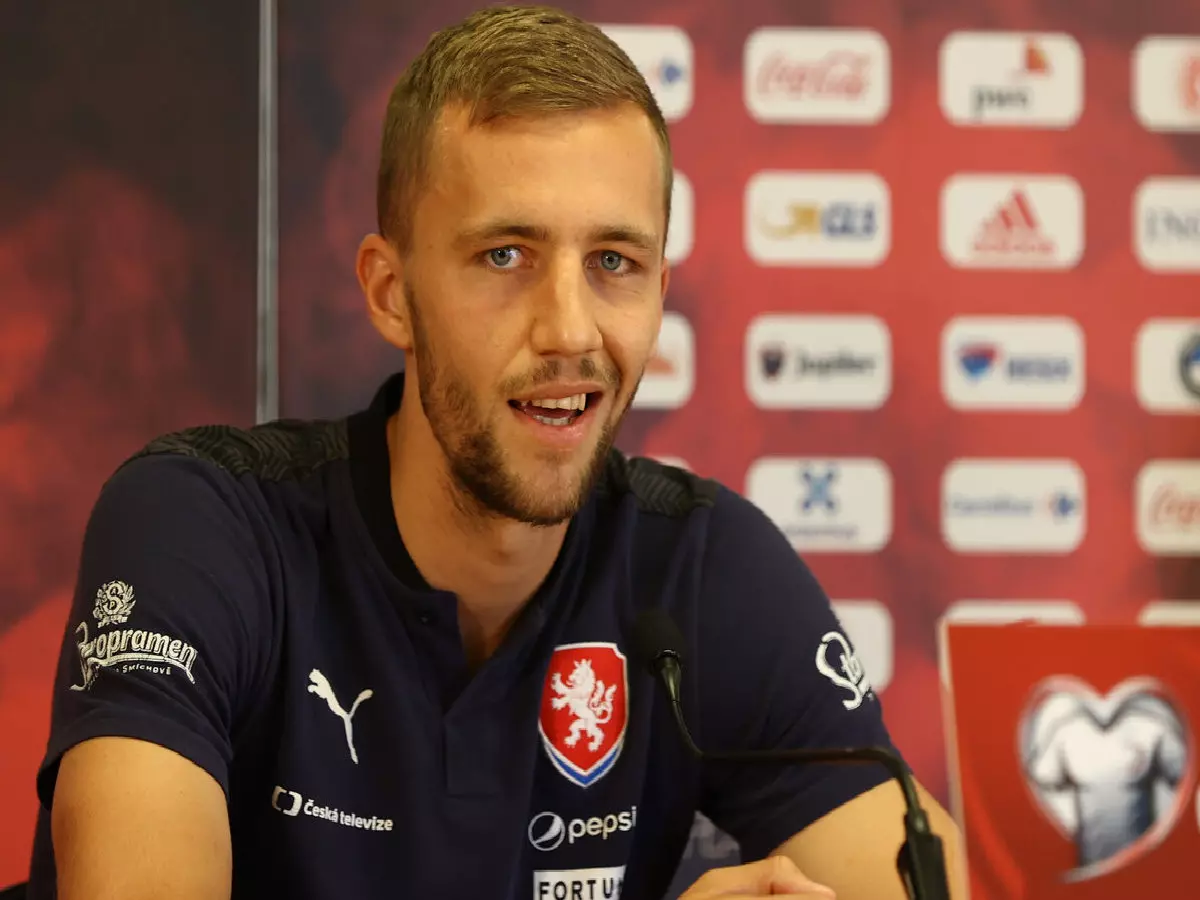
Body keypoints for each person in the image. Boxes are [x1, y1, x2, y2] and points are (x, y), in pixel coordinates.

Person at [27, 5, 964, 898]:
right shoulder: (203, 525)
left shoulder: (700, 567)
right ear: (392, 292)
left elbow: (925, 878)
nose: (570, 330)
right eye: (506, 257)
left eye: (614, 263)